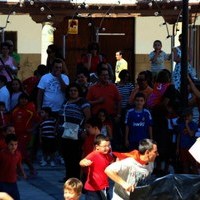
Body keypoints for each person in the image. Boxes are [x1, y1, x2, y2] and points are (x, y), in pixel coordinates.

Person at [59, 83, 91, 181]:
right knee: (66, 155)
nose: (73, 92)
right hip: (64, 132)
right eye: (71, 90)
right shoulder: (66, 102)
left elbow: (88, 117)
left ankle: (76, 177)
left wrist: (85, 130)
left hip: (77, 133)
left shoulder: (83, 102)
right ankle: (68, 176)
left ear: (78, 92)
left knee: (75, 156)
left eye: (75, 90)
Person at [11, 93, 39, 176]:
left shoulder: (30, 110)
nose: (23, 100)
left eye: (25, 99)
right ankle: (23, 169)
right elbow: (12, 121)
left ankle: (27, 169)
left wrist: (32, 129)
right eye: (22, 99)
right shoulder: (15, 110)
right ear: (19, 100)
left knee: (21, 151)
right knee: (19, 152)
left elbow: (38, 120)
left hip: (25, 134)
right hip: (16, 134)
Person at [80, 134, 113, 200]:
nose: (107, 148)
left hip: (104, 187)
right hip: (93, 188)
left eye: (108, 145)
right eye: (104, 146)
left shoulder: (108, 156)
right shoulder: (94, 154)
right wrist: (84, 163)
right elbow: (82, 161)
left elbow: (112, 164)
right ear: (97, 147)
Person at [0, 134, 26, 200]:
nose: (14, 146)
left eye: (16, 144)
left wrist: (23, 173)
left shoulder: (18, 154)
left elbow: (19, 164)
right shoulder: (2, 154)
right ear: (7, 144)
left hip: (13, 182)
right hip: (2, 182)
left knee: (16, 198)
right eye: (11, 144)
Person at [176, 108, 198, 174]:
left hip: (191, 148)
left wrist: (187, 125)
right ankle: (186, 180)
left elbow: (191, 134)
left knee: (194, 165)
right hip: (183, 147)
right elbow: (179, 136)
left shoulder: (194, 124)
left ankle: (196, 180)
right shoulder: (181, 125)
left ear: (192, 115)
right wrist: (177, 148)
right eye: (185, 116)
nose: (187, 118)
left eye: (188, 116)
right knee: (185, 164)